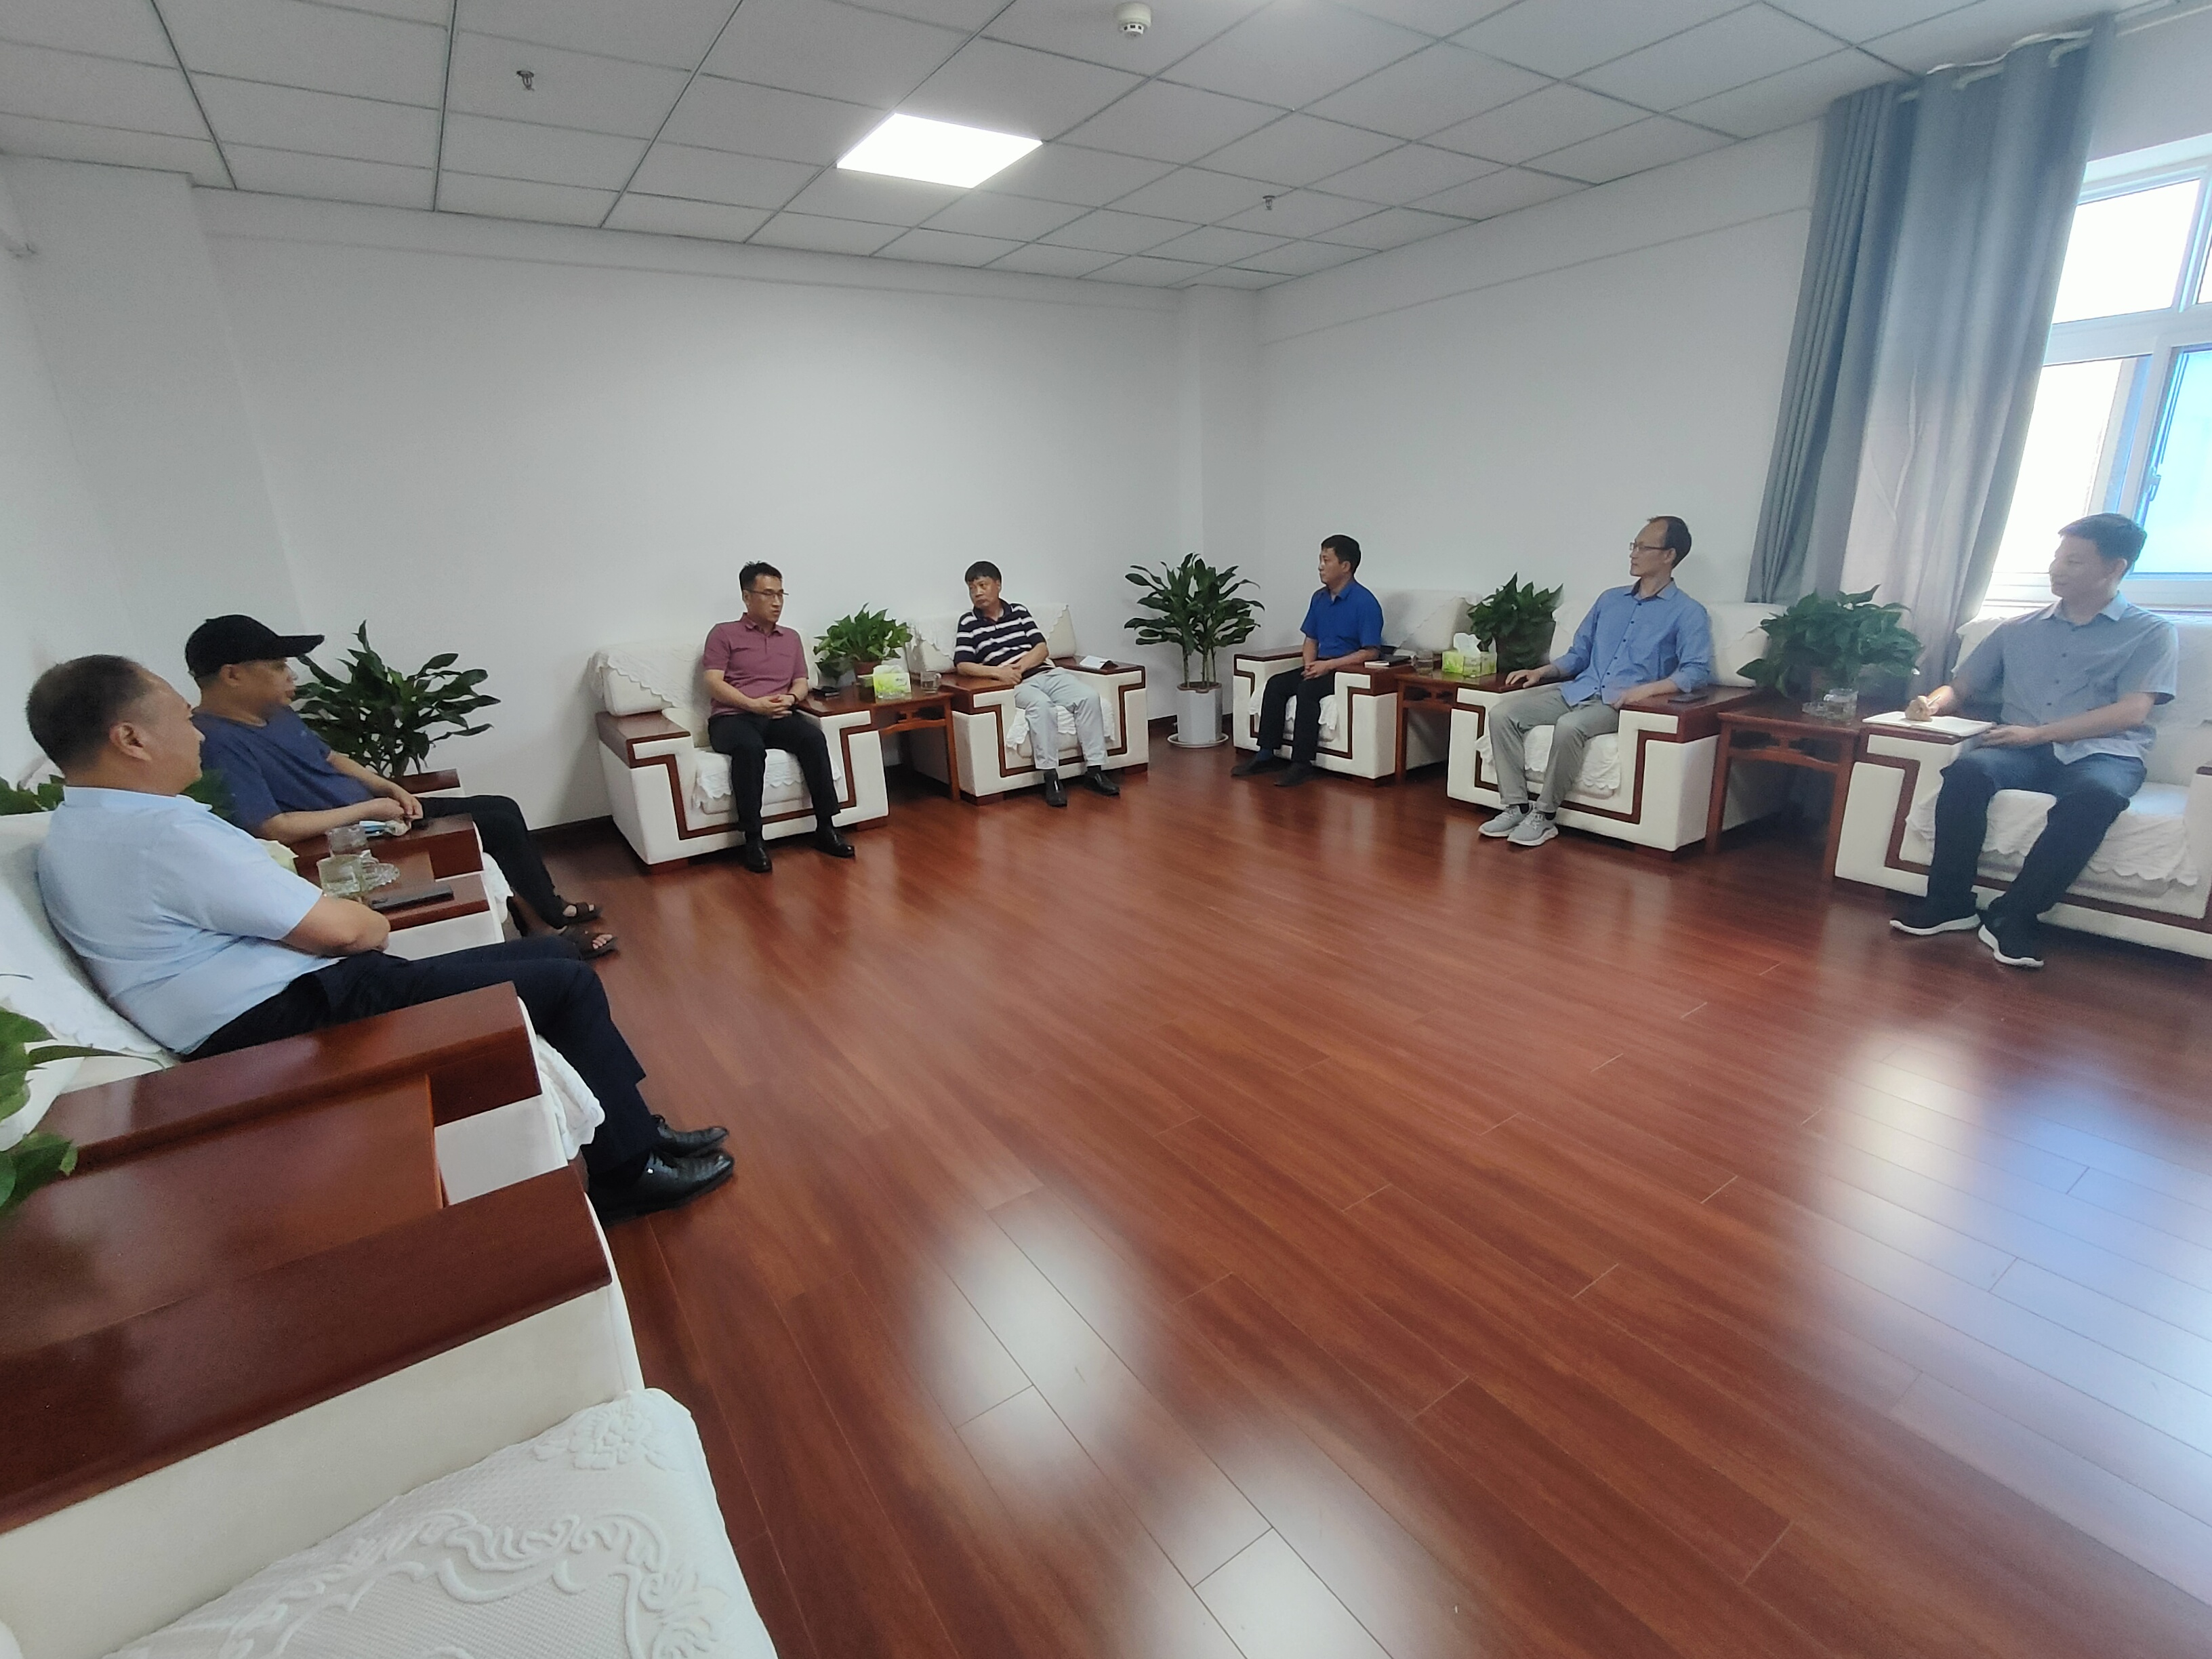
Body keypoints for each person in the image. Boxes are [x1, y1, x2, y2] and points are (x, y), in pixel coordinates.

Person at [27, 657, 731, 1224]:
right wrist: (368, 925)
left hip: (275, 1002)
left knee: (552, 953)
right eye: (184, 721)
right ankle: (626, 1175)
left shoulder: (79, 828)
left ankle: (638, 1129)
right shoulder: (160, 832)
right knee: (567, 979)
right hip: (289, 1018)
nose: (200, 736)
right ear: (131, 739)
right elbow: (345, 931)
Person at [186, 614, 616, 958]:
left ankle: (547, 909)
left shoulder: (275, 712)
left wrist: (387, 788)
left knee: (501, 807)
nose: (291, 676)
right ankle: (550, 929)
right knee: (495, 824)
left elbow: (331, 758)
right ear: (233, 675)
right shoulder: (217, 743)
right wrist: (369, 810)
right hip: (347, 841)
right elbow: (273, 828)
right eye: (279, 667)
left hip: (376, 814)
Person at [1891, 514, 2177, 969]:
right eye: (2057, 557)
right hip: (2020, 750)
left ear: (2114, 568)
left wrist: (2039, 733)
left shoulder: (2151, 632)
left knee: (2097, 796)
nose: (2056, 569)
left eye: (2074, 561)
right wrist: (1932, 702)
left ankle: (2015, 915)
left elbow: (2131, 712)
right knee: (1967, 772)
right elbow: (1963, 687)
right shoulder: (2016, 630)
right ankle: (1949, 903)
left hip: (2104, 752)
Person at [1481, 516, 1711, 848]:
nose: (1633, 553)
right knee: (1503, 715)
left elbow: (1696, 671)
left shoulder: (1688, 612)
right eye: (1633, 545)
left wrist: (1645, 691)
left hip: (1620, 703)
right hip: (1580, 689)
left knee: (1570, 727)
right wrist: (1543, 672)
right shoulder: (1609, 600)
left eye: (1643, 547)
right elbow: (1580, 654)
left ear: (1669, 555)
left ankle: (1544, 815)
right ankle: (1516, 806)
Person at [702, 562, 854, 874]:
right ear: (747, 597)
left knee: (812, 738)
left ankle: (826, 827)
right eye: (768, 594)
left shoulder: (791, 638)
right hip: (733, 717)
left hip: (778, 714)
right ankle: (753, 839)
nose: (777, 602)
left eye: (781, 594)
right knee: (749, 749)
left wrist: (792, 698)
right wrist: (753, 705)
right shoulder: (723, 634)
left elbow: (801, 681)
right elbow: (714, 683)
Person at [949, 561, 1120, 808]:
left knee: (1088, 698)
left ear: (998, 585)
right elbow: (963, 665)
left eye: (983, 585)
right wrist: (999, 673)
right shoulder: (968, 622)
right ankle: (1051, 777)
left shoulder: (1019, 611)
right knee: (1041, 706)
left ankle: (1095, 771)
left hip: (1045, 672)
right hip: (1015, 685)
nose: (977, 592)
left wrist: (1020, 667)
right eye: (972, 588)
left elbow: (1041, 649)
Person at [1233, 535, 1384, 787]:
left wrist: (1328, 666)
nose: (1320, 566)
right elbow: (1311, 639)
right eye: (1320, 560)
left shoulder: (1365, 603)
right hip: (1320, 664)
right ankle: (1266, 754)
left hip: (1347, 670)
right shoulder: (1319, 598)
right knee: (1277, 685)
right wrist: (1309, 665)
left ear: (1345, 566)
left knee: (1308, 690)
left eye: (1326, 560)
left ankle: (1302, 763)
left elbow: (1371, 652)